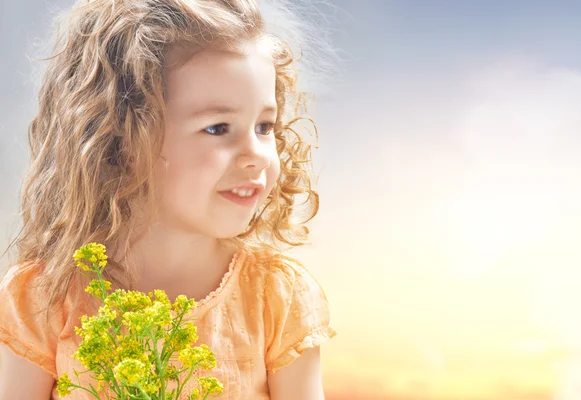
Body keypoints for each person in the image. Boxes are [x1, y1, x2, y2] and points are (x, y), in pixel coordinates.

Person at [0, 0, 337, 398]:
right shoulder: (44, 296)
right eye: (218, 128)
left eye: (265, 126)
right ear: (120, 139)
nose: (259, 154)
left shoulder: (275, 298)